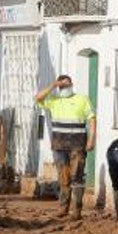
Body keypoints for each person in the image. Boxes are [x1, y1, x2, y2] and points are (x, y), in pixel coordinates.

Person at [35, 75, 96, 219]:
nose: (64, 89)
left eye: (66, 86)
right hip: (59, 145)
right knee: (64, 178)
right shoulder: (54, 101)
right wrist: (53, 85)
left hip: (78, 145)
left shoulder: (82, 99)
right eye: (62, 86)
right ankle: (63, 208)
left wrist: (91, 140)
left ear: (72, 85)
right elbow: (38, 98)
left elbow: (92, 120)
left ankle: (77, 210)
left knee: (77, 177)